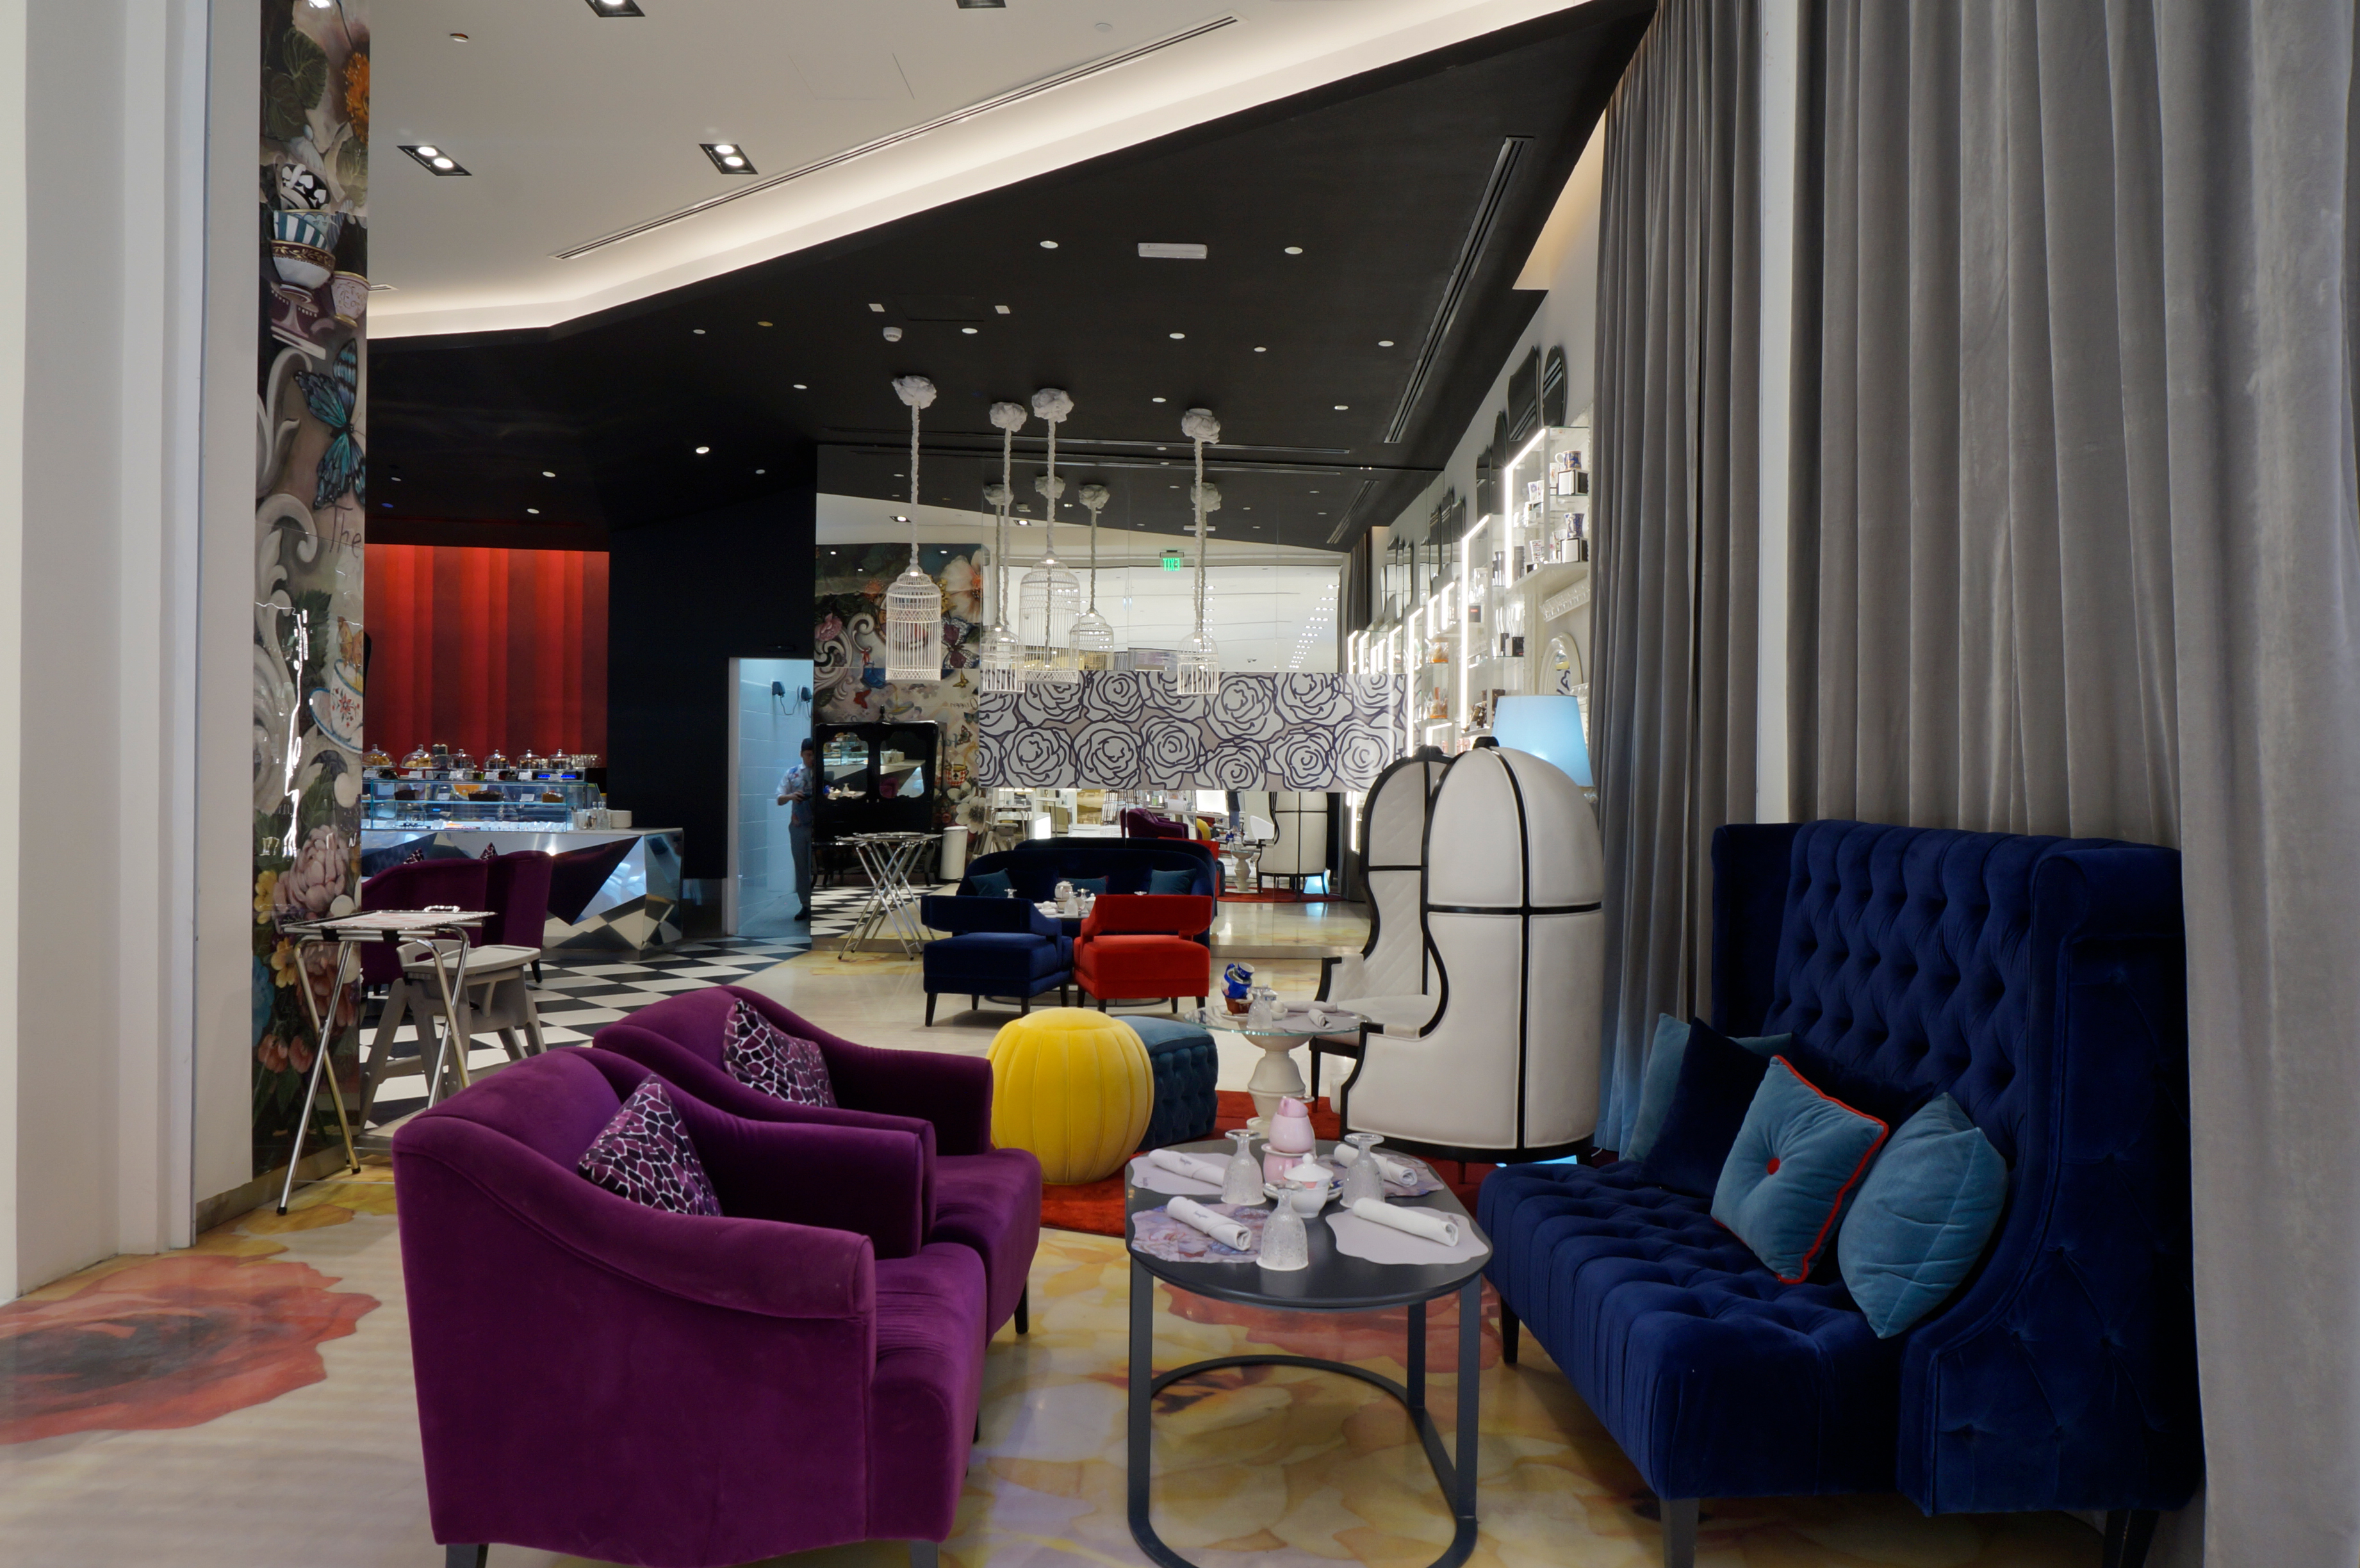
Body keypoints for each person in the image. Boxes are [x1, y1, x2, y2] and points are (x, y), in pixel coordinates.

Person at [777, 736, 817, 922]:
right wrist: (792, 796)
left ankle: (819, 901)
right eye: (808, 755)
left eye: (814, 755)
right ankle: (806, 904)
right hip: (798, 826)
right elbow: (779, 799)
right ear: (802, 754)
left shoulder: (823, 772)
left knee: (815, 866)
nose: (812, 759)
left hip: (817, 826)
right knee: (801, 866)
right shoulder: (792, 773)